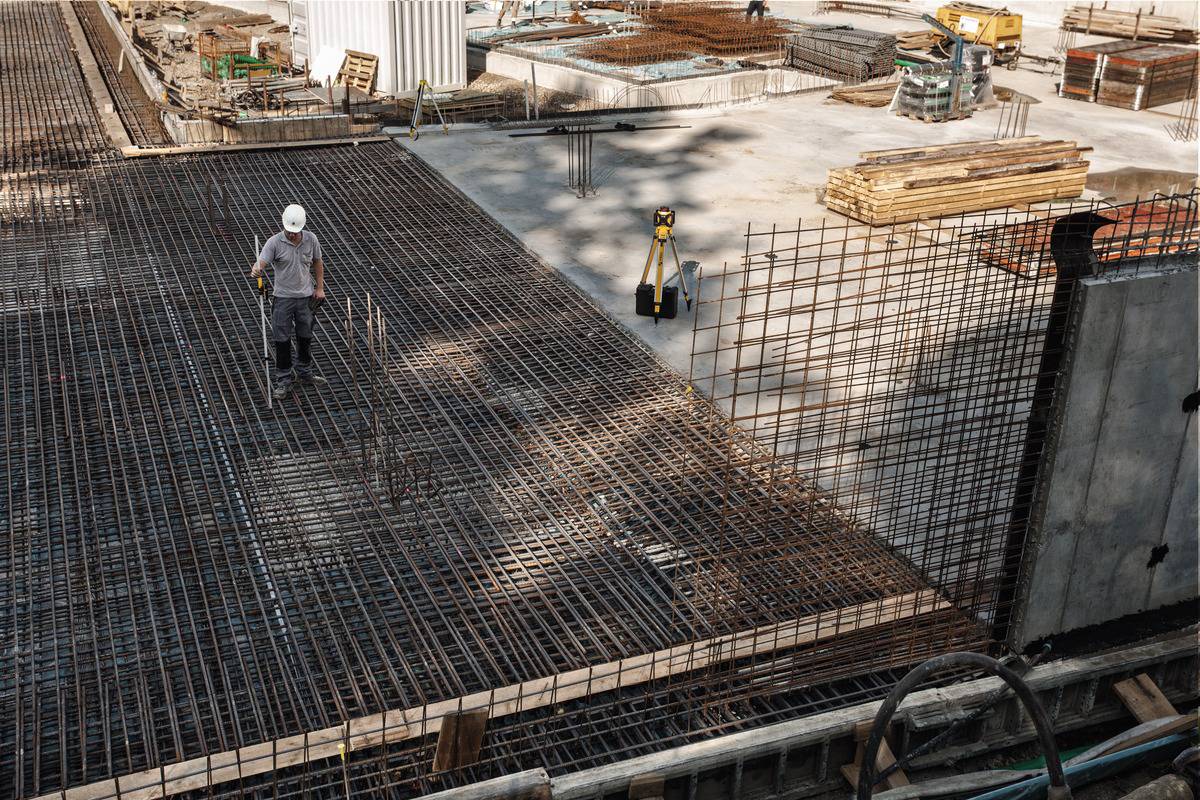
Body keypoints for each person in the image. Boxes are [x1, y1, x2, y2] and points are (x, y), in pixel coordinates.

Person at [250, 203, 327, 400]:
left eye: (296, 232)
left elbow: (318, 261)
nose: (292, 235)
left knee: (305, 336)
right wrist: (257, 268)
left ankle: (304, 371)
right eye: (289, 231)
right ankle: (283, 379)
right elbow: (262, 261)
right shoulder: (274, 243)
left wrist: (319, 288)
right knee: (282, 339)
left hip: (305, 298)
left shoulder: (311, 239)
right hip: (283, 298)